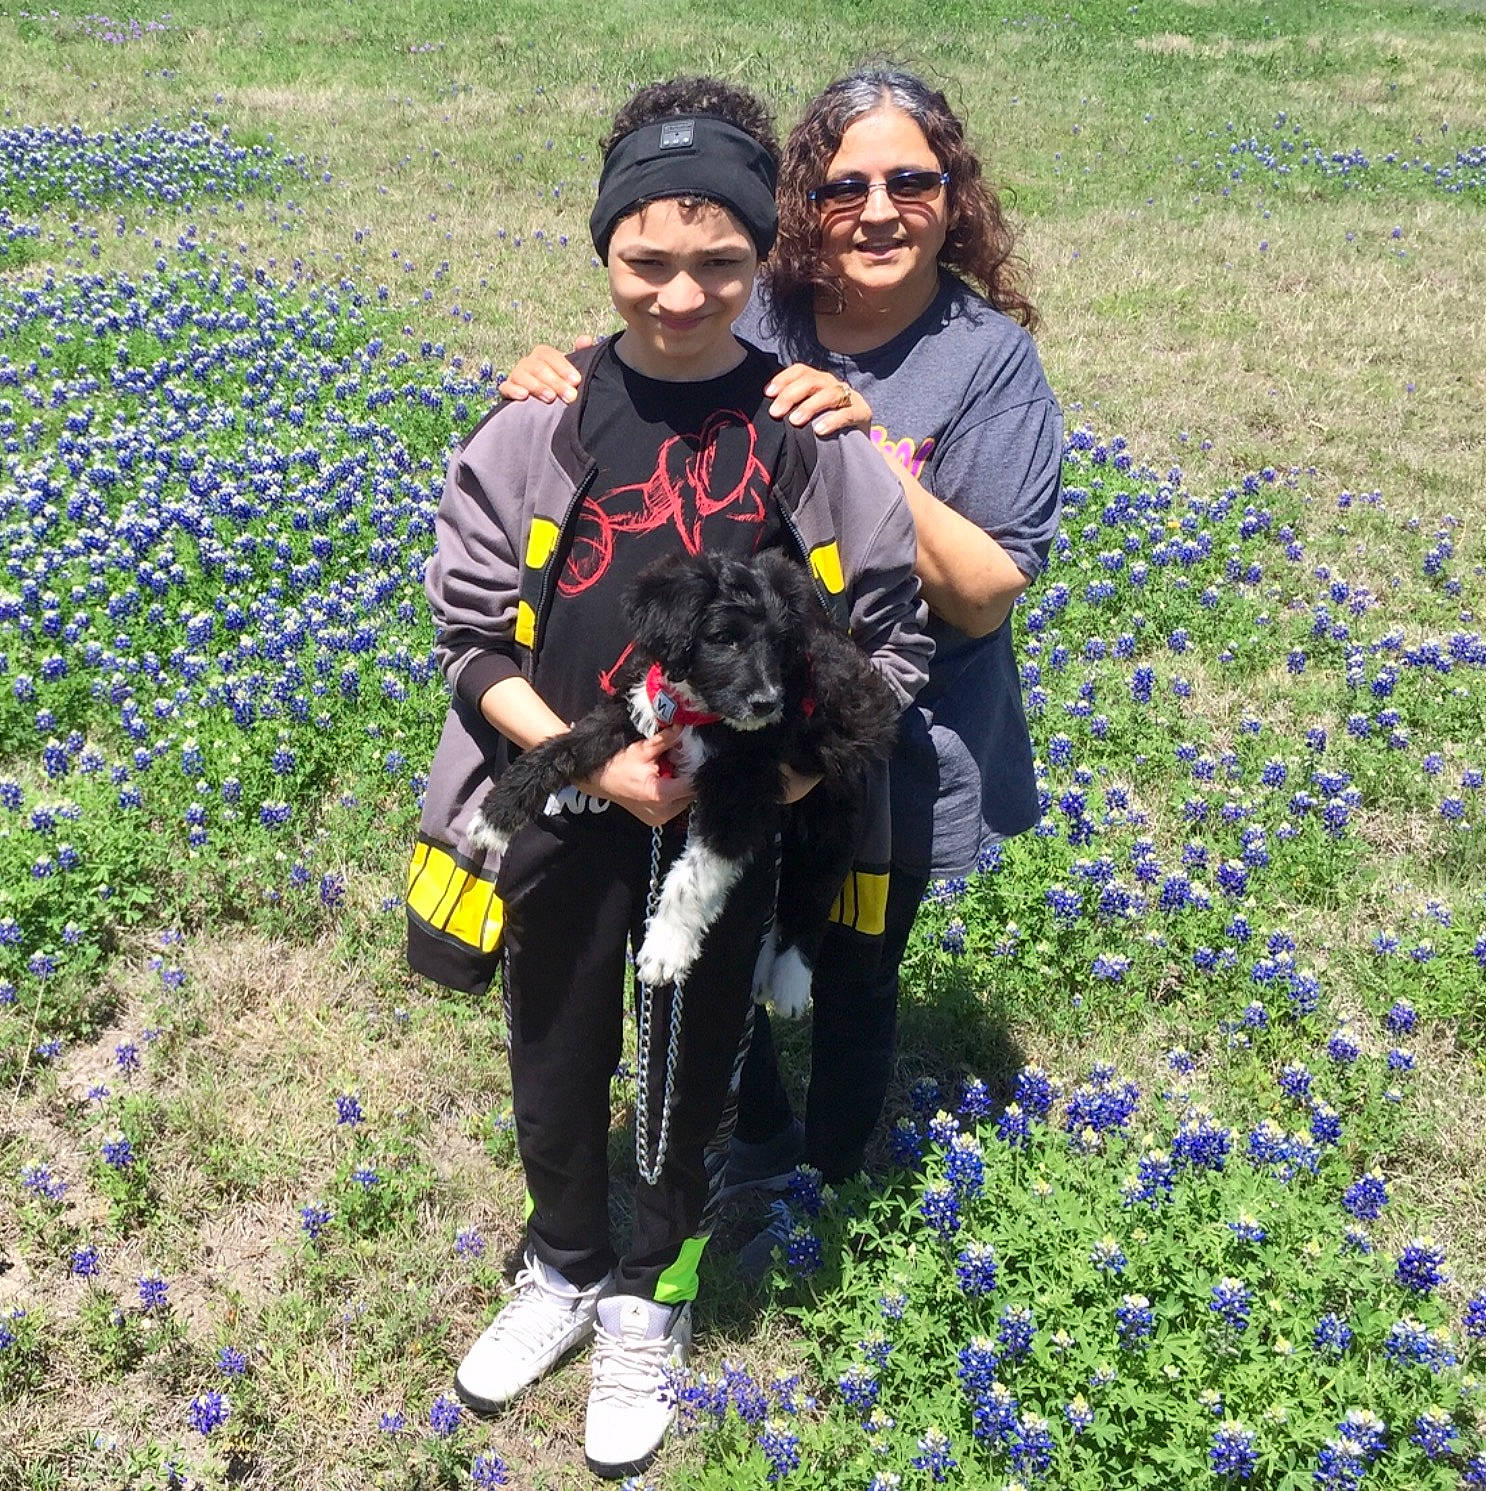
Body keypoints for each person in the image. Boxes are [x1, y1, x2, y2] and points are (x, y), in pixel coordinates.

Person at [409, 77, 930, 1477]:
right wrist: (579, 761)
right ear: (602, 253)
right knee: (557, 1038)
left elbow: (890, 651)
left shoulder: (815, 437)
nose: (683, 295)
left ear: (763, 257)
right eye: (647, 262)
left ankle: (652, 1288)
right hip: (574, 800)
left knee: (692, 1070)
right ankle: (563, 1258)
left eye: (719, 263)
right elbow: (466, 636)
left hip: (744, 824)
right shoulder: (537, 421)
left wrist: (777, 795)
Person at [499, 67, 1064, 1214]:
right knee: (730, 969)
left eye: (912, 179)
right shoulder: (762, 307)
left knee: (854, 967)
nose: (877, 208)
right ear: (799, 205)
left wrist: (869, 456)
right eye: (845, 183)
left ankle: (832, 1183)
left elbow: (987, 593)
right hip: (739, 719)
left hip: (901, 732)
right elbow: (662, 326)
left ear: (953, 196)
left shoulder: (989, 358)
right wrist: (551, 370)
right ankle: (746, 1156)